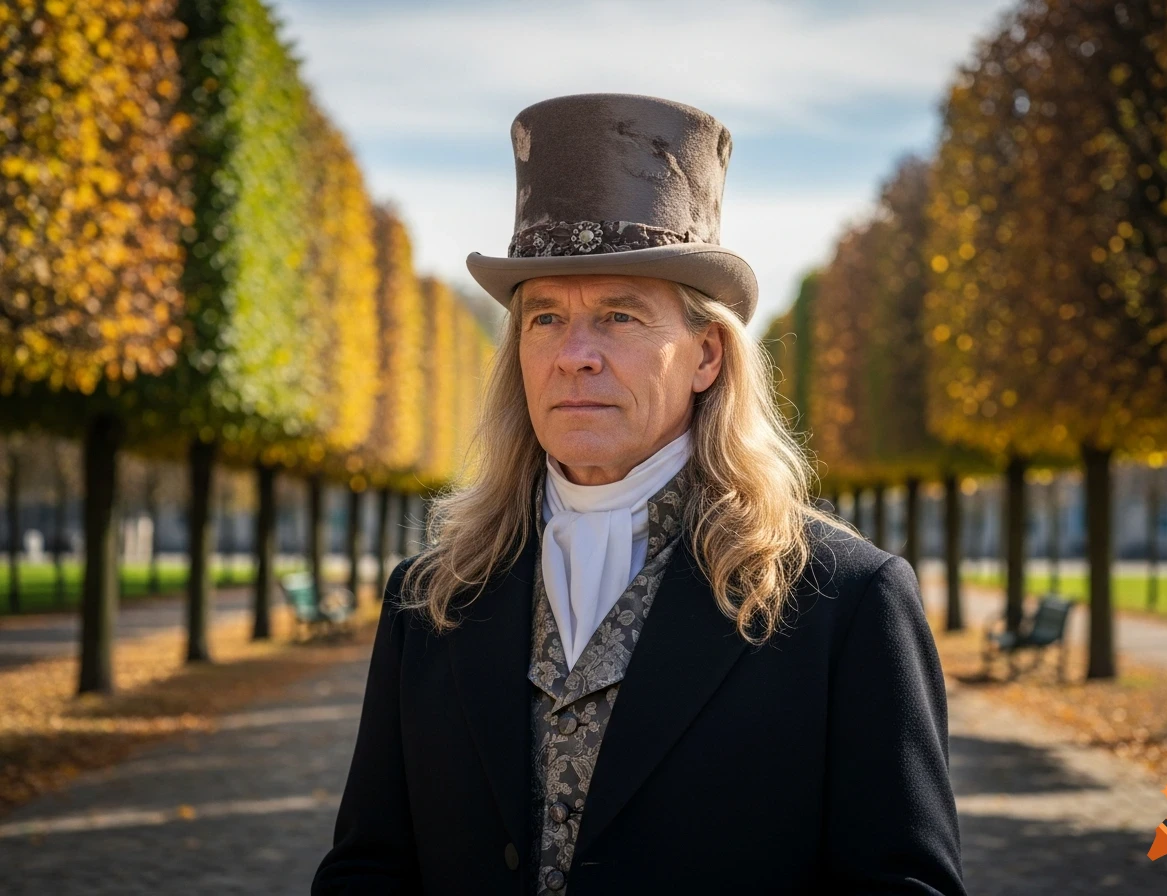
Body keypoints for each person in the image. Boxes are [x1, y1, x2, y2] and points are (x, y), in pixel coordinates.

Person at [312, 92, 967, 896]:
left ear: (706, 357)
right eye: (545, 318)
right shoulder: (430, 598)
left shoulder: (846, 601)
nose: (575, 354)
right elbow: (369, 867)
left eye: (620, 315)